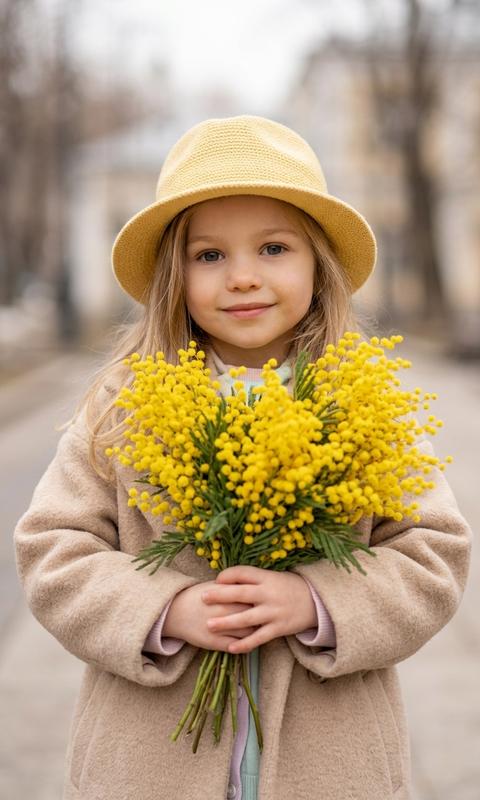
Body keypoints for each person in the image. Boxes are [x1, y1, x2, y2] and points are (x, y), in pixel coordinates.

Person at [14, 115, 472, 800]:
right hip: (146, 766)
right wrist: (165, 610)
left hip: (335, 766)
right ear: (175, 274)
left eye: (273, 248)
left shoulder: (366, 403)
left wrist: (316, 598)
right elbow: (53, 550)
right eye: (209, 256)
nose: (243, 278)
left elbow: (433, 554)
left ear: (318, 265)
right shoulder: (123, 406)